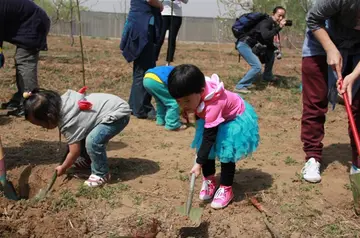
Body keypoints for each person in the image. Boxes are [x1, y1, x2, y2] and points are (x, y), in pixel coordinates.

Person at [168, 64, 259, 209]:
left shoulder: (214, 103)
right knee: (206, 150)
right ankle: (209, 179)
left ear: (201, 91)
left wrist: (198, 164)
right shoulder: (194, 93)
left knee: (226, 151)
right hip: (212, 117)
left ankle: (226, 188)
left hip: (233, 118)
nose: (183, 105)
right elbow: (200, 117)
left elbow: (209, 137)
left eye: (186, 101)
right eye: (179, 101)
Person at [300, 0, 360, 183]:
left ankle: (358, 161)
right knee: (315, 100)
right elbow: (313, 19)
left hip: (357, 47)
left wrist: (353, 76)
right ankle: (312, 156)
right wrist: (330, 48)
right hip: (321, 38)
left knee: (358, 103)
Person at [23, 87, 131, 187]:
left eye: (42, 125)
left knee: (93, 141)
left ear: (49, 117)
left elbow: (74, 152)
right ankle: (88, 160)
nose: (43, 127)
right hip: (112, 106)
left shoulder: (69, 121)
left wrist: (63, 167)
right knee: (83, 136)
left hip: (118, 114)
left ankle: (101, 173)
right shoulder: (63, 104)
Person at [0, 0, 50, 117]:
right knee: (21, 59)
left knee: (24, 60)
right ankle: (20, 98)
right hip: (28, 21)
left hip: (34, 23)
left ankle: (31, 104)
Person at [120, 0, 163, 120]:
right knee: (145, 70)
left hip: (140, 27)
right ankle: (142, 108)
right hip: (143, 29)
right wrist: (159, 5)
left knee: (140, 70)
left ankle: (134, 106)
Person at [234, 6, 287, 94]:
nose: (281, 18)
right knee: (257, 67)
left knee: (270, 52)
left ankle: (267, 76)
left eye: (283, 16)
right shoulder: (266, 22)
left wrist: (275, 49)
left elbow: (266, 40)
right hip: (244, 45)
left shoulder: (272, 24)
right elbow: (266, 35)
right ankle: (240, 86)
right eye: (279, 15)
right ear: (273, 14)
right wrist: (279, 28)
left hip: (251, 45)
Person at [143, 65, 187, 130]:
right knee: (173, 103)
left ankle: (160, 120)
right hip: (157, 80)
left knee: (160, 101)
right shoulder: (182, 75)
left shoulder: (177, 70)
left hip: (147, 79)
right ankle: (172, 124)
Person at [155, 0, 188, 65]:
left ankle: (168, 62)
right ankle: (153, 59)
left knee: (171, 39)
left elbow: (186, 1)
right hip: (164, 14)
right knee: (160, 38)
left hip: (176, 15)